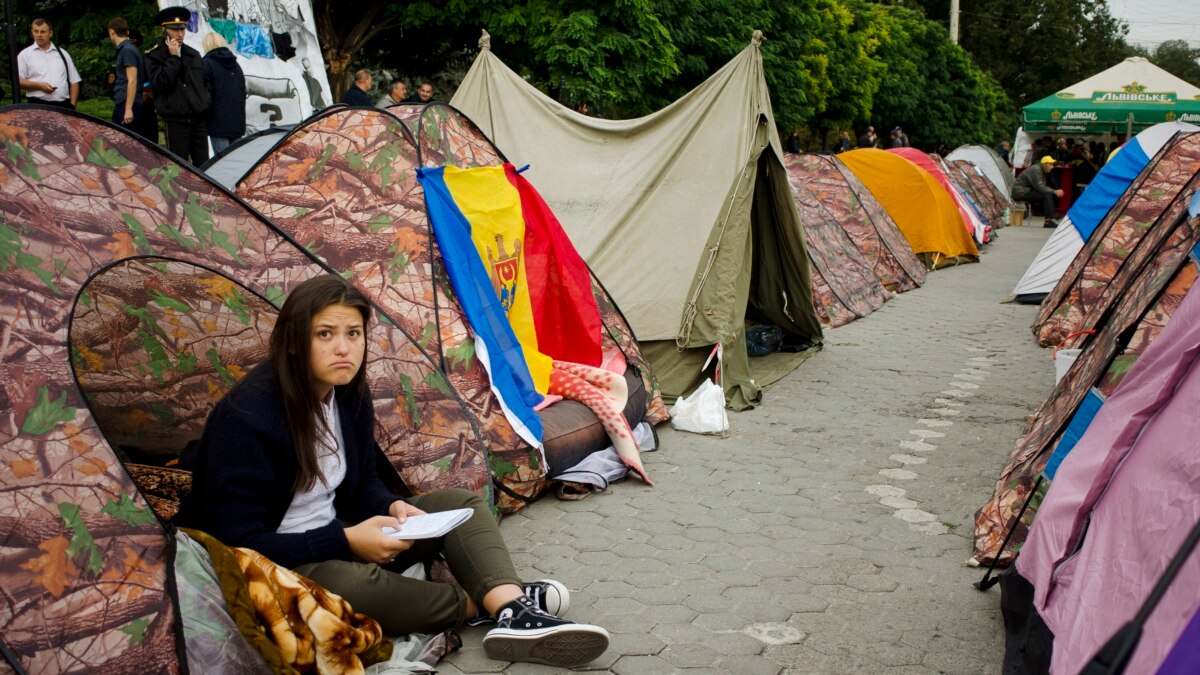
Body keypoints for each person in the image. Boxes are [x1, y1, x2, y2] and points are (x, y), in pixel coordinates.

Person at [173, 275, 611, 668]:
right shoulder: (249, 417)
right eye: (325, 334)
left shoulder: (346, 395)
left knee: (460, 503)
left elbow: (361, 482)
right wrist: (346, 540)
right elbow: (240, 542)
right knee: (349, 583)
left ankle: (511, 612)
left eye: (353, 334)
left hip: (338, 531)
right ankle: (491, 604)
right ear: (293, 341)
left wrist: (392, 506)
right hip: (278, 562)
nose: (343, 348)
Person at [145, 6, 211, 165]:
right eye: (174, 30)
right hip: (176, 120)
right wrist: (173, 59)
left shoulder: (193, 54)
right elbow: (161, 84)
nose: (180, 34)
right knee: (179, 166)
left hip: (197, 118)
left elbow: (204, 83)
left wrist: (205, 102)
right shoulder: (155, 56)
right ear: (165, 30)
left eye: (182, 29)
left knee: (204, 165)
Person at [17, 19, 81, 109]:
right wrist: (39, 86)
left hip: (63, 106)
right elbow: (19, 81)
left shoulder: (63, 54)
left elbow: (74, 81)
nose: (39, 35)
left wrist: (72, 104)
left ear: (50, 33)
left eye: (43, 31)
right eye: (36, 31)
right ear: (32, 32)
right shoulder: (24, 55)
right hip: (36, 105)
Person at [201, 32, 246, 155]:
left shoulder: (206, 64)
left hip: (217, 123)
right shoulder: (236, 65)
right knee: (237, 164)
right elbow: (242, 93)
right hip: (237, 121)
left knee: (222, 165)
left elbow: (206, 96)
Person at [107, 17, 144, 133]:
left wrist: (128, 109)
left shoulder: (127, 50)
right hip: (122, 100)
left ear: (112, 31)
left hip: (128, 102)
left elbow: (132, 80)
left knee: (127, 143)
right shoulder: (124, 49)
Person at [1012, 155, 1063, 227]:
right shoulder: (1036, 170)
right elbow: (1040, 187)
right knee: (1046, 195)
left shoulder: (1042, 170)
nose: (1052, 167)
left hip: (1026, 191)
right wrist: (1055, 191)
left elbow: (1042, 186)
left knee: (1047, 194)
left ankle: (1051, 216)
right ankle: (1048, 221)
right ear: (1045, 164)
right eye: (1050, 164)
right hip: (1020, 192)